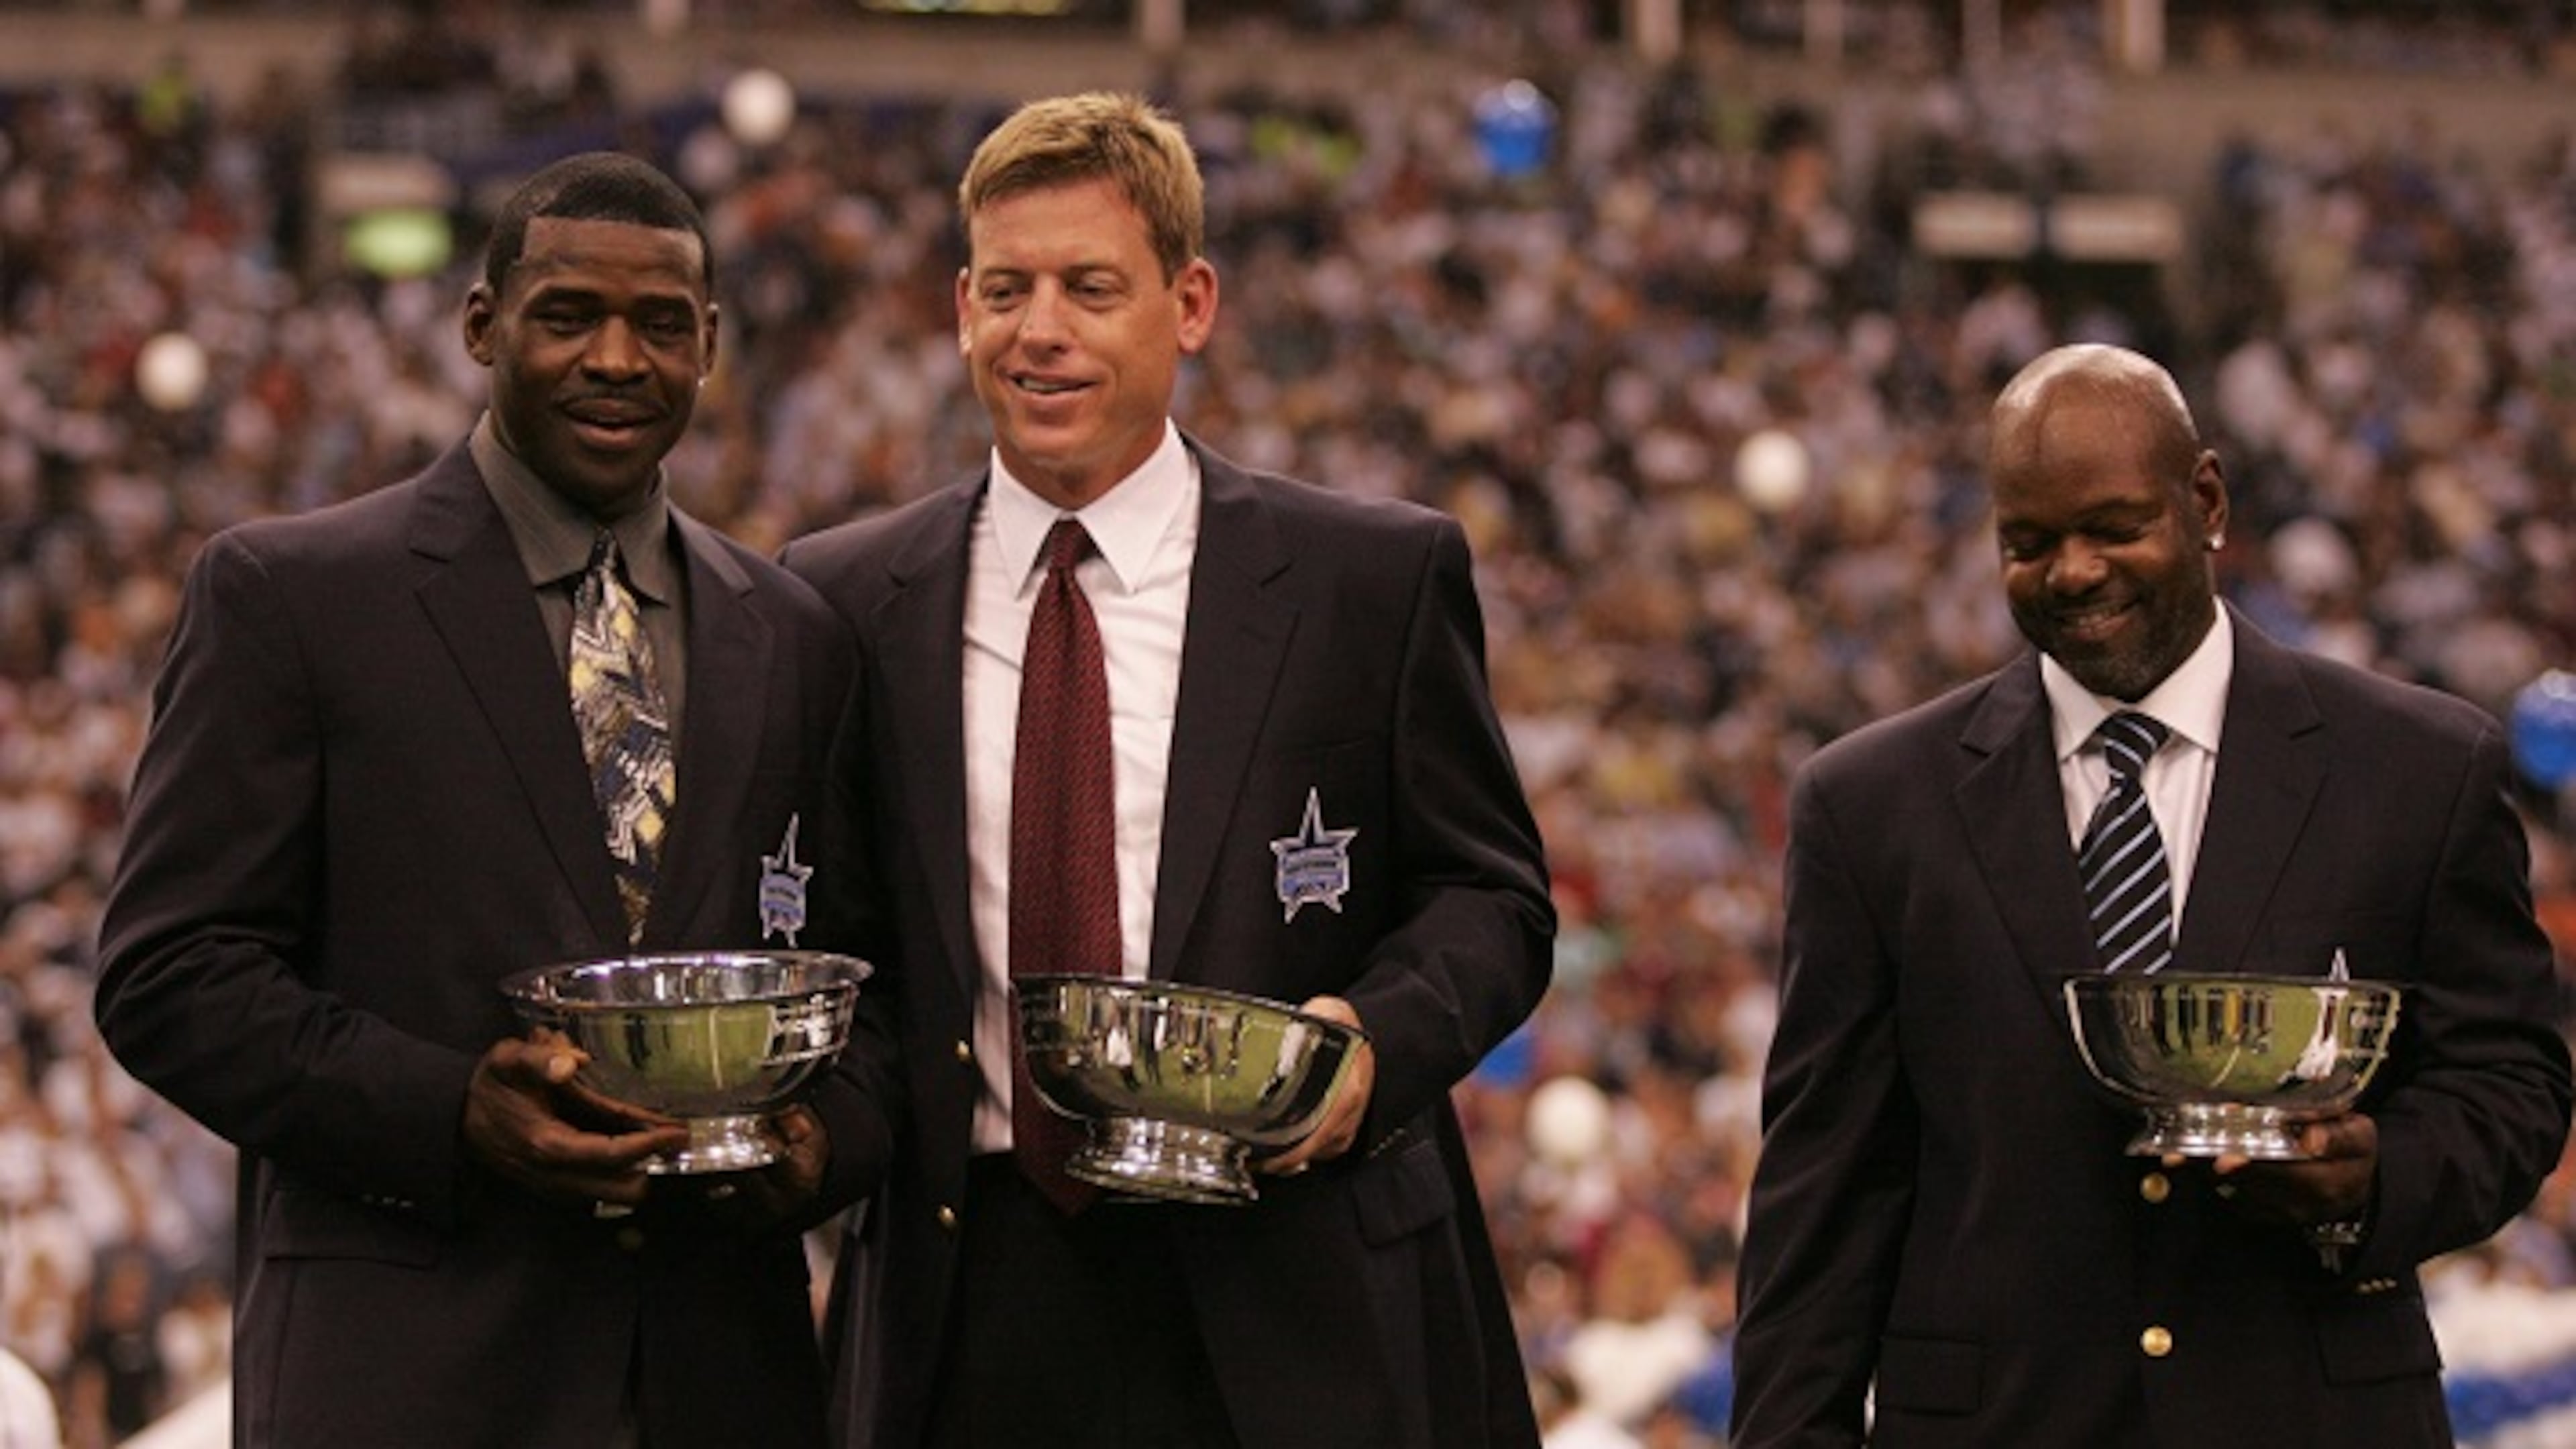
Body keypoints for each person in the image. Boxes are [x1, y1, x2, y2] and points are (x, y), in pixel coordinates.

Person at [782, 92, 1554, 1449]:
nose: (1043, 331)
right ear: (961, 307)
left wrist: (1371, 1052)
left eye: (1091, 287)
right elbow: (842, 950)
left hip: (1298, 1284)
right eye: (1008, 288)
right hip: (970, 1299)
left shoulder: (1366, 580)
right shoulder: (843, 599)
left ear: (1188, 303)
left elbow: (1493, 902)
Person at [94, 152, 887, 1449]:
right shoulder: (294, 598)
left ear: (712, 345)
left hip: (719, 1379)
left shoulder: (792, 633)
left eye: (661, 326)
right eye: (568, 315)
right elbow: (169, 977)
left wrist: (813, 1147)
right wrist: (451, 1110)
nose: (617, 360)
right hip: (407, 1376)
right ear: (482, 325)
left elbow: (869, 998)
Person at [1729, 341, 2574, 1446]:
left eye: (2113, 527)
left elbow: (2510, 1083)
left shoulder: (2416, 769)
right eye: (2027, 544)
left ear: (2207, 500)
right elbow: (1823, 1197)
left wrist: (2379, 1179)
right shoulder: (1872, 808)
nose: (2073, 571)